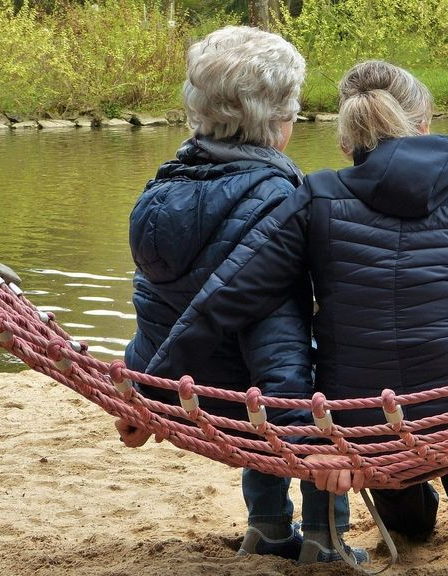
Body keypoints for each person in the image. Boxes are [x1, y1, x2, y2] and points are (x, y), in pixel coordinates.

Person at [145, 60, 448, 540]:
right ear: (424, 127)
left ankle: (419, 498)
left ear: (346, 141)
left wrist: (151, 390)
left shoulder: (314, 199)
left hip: (362, 430)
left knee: (410, 527)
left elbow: (228, 298)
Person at [114, 26, 364, 565]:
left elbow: (155, 306)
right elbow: (280, 343)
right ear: (275, 122)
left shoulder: (159, 189)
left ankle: (268, 526)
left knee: (258, 381)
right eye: (292, 111)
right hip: (252, 397)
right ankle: (326, 539)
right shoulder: (280, 200)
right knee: (330, 371)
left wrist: (142, 389)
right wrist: (309, 444)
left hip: (184, 388)